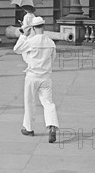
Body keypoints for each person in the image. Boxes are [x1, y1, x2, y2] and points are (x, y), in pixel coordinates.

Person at [12, 16, 59, 144]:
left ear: (33, 28)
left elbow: (16, 49)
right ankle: (52, 126)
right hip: (46, 77)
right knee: (48, 103)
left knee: (29, 102)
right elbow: (52, 59)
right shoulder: (50, 42)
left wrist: (23, 35)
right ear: (44, 26)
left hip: (32, 76)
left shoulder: (31, 41)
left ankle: (29, 128)